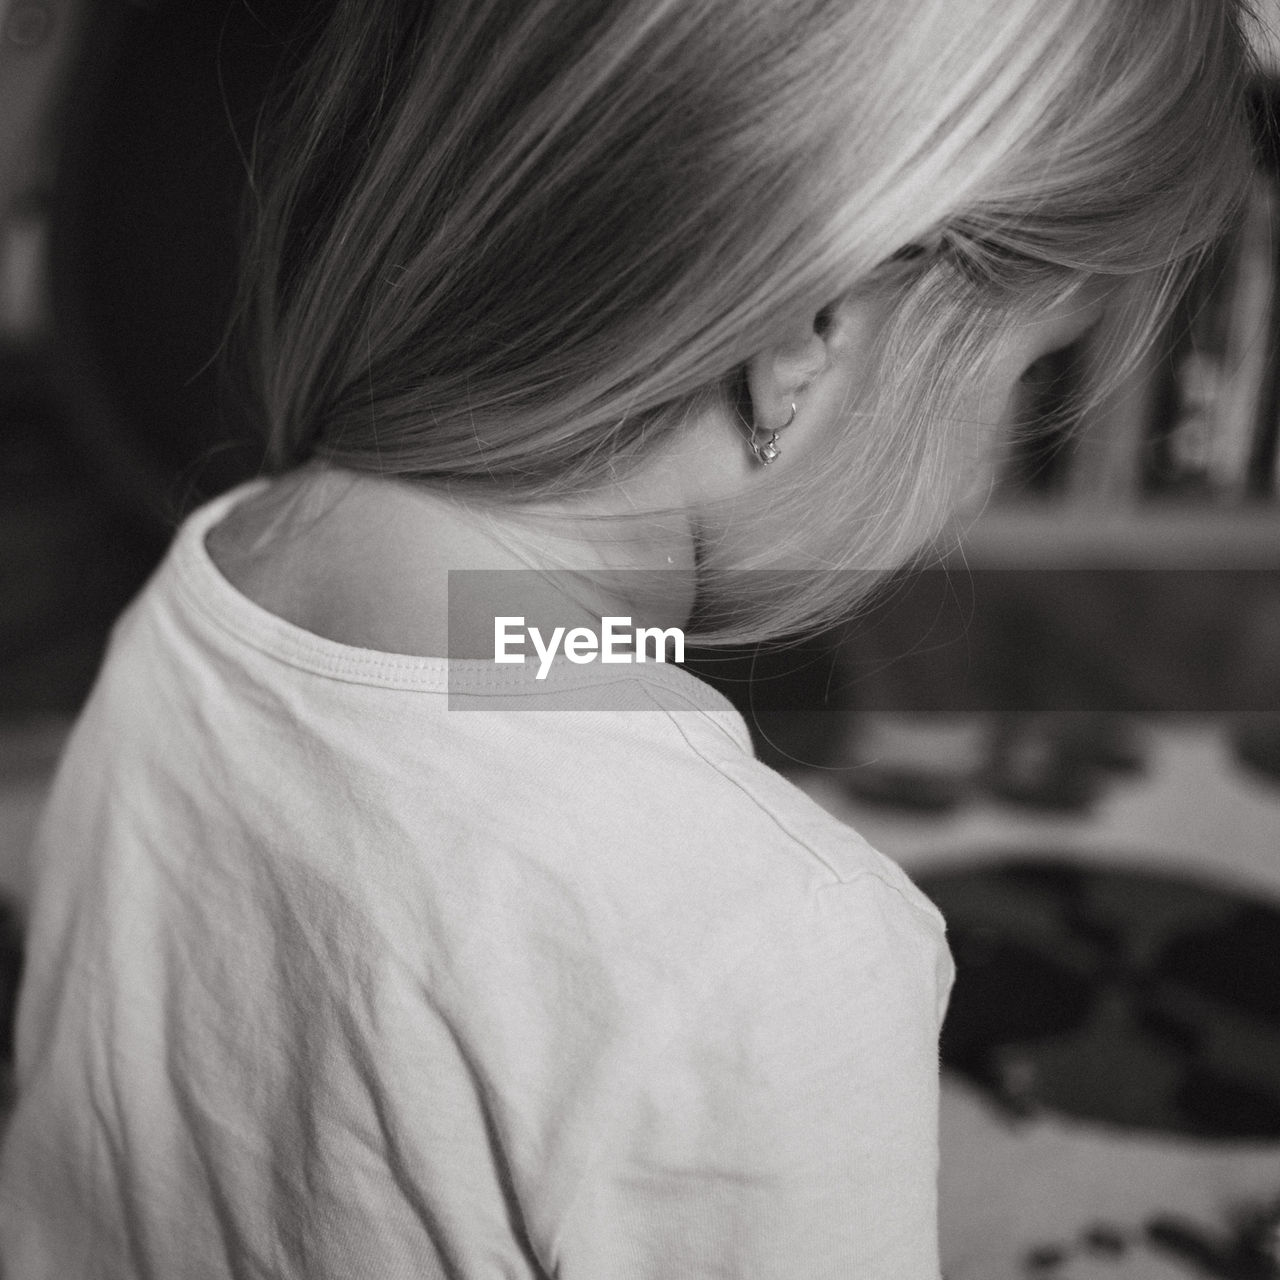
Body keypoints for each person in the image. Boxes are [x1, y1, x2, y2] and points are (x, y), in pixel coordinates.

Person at [0, 0, 1253, 1275]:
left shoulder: (221, 564)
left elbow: (459, 708)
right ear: (802, 337)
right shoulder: (775, 942)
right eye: (1027, 380)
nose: (986, 472)